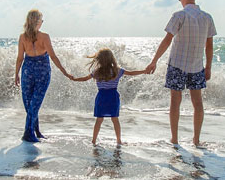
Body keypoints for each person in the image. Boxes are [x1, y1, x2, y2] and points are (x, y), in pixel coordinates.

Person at [145, 0, 216, 147]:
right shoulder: (207, 17)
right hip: (197, 66)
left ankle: (175, 139)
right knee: (197, 103)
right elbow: (209, 45)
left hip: (177, 64)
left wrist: (154, 60)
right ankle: (196, 140)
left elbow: (167, 40)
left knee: (175, 102)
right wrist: (209, 67)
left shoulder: (179, 15)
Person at [68, 47, 147, 145]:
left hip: (101, 97)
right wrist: (144, 71)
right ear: (112, 59)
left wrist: (74, 79)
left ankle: (94, 140)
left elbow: (84, 79)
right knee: (115, 119)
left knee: (99, 120)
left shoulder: (97, 72)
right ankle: (118, 140)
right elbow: (131, 73)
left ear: (99, 60)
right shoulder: (117, 71)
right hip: (113, 97)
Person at [15, 9, 69, 142]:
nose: (42, 22)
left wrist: (16, 73)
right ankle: (28, 133)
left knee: (31, 103)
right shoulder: (44, 37)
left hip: (27, 70)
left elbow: (20, 58)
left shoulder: (23, 37)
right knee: (33, 103)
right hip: (42, 71)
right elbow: (53, 56)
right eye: (41, 20)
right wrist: (64, 71)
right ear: (37, 22)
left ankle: (36, 131)